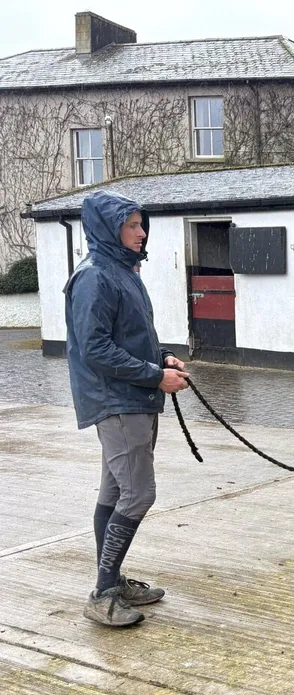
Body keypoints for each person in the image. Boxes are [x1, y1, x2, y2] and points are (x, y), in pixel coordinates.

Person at [64, 190, 190, 627]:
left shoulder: (121, 272)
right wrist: (156, 376)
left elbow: (126, 337)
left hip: (131, 397)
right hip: (117, 402)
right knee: (139, 494)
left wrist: (162, 357)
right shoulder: (96, 277)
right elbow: (95, 349)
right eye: (132, 225)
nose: (142, 232)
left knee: (115, 492)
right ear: (108, 228)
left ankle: (111, 580)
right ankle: (102, 593)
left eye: (141, 224)